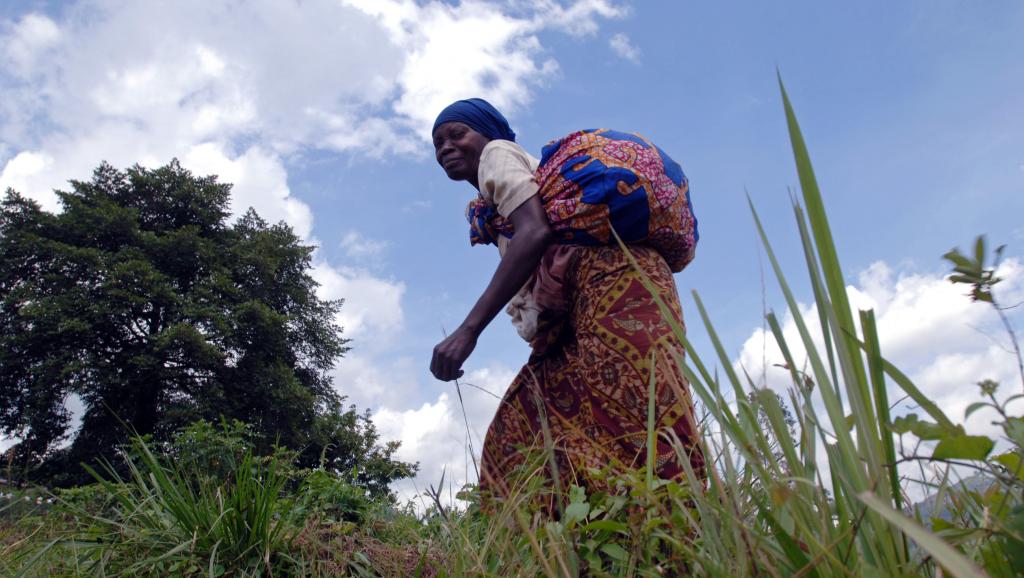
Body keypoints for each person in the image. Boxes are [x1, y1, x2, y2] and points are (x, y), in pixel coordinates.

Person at [429, 98, 704, 502]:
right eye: (437, 143)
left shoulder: (496, 154)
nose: (446, 148)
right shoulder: (504, 195)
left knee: (639, 419)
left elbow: (535, 233)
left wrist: (468, 332)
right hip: (617, 290)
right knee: (539, 426)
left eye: (457, 134)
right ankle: (573, 549)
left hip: (614, 284)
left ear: (487, 134)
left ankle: (673, 548)